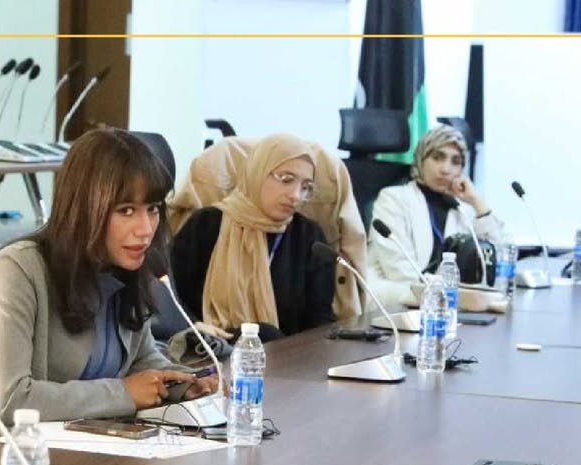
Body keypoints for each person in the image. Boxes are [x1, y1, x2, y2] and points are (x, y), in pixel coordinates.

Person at [0, 128, 217, 436]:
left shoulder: (125, 265)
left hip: (82, 442)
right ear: (84, 209)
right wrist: (123, 393)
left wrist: (185, 383)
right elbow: (8, 400)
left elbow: (141, 360)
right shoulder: (18, 269)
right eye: (126, 211)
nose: (145, 229)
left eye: (152, 209)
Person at [169, 133, 336, 338]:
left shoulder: (308, 237)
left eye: (305, 187)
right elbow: (171, 299)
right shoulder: (205, 225)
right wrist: (195, 327)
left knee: (267, 334)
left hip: (286, 353)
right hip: (210, 347)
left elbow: (320, 320)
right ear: (257, 172)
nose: (295, 195)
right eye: (286, 180)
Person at [367, 124, 501, 305]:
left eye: (455, 162)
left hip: (443, 300)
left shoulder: (461, 207)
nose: (446, 169)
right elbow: (398, 269)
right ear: (421, 159)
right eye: (437, 157)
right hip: (395, 299)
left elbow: (490, 262)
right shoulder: (393, 199)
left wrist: (477, 202)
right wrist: (442, 291)